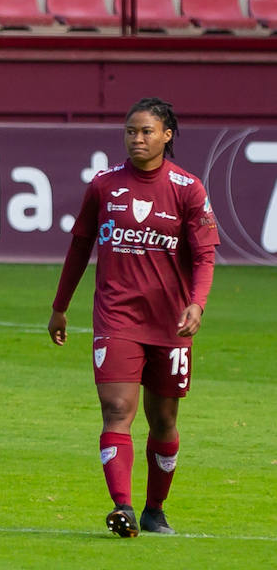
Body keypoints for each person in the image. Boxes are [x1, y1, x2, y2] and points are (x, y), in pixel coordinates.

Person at [49, 97, 218, 538]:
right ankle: (122, 507)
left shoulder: (187, 188)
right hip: (116, 318)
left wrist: (197, 303)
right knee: (117, 410)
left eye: (146, 132)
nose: (137, 139)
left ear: (167, 135)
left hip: (170, 324)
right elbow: (80, 246)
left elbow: (204, 256)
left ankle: (154, 510)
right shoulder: (104, 185)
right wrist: (60, 306)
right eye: (130, 131)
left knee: (163, 421)